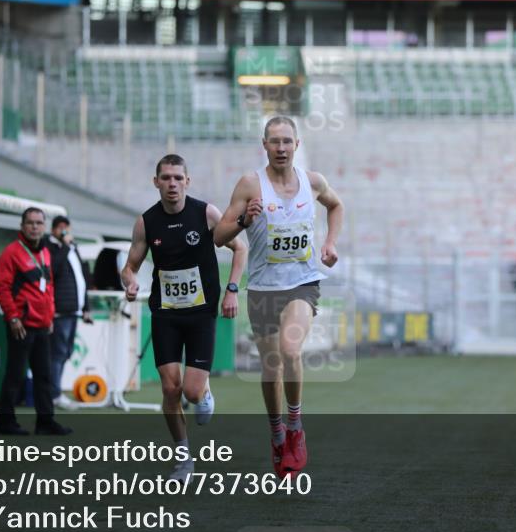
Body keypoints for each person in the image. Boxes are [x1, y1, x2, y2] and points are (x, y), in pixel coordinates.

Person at [214, 116, 343, 478]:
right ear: (265, 145)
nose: (282, 148)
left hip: (302, 282)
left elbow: (336, 206)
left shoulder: (313, 182)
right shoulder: (249, 185)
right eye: (275, 142)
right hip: (263, 288)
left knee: (290, 351)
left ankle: (296, 426)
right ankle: (276, 434)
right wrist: (243, 221)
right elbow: (218, 236)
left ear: (297, 145)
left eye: (287, 141)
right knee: (271, 366)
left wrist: (330, 243)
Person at [122, 154, 247, 481]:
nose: (172, 184)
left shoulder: (205, 213)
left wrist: (231, 290)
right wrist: (130, 280)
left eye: (178, 178)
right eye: (166, 178)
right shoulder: (146, 222)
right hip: (165, 313)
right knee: (170, 387)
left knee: (190, 391)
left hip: (201, 313)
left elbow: (240, 248)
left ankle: (203, 393)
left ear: (187, 181)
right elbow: (130, 265)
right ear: (156, 182)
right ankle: (183, 458)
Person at [0, 207, 72, 436]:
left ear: (44, 227)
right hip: (21, 325)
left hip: (42, 325)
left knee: (44, 376)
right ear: (22, 226)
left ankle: (45, 422)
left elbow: (48, 288)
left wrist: (50, 317)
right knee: (15, 374)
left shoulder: (45, 252)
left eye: (39, 223)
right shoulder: (11, 253)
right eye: (30, 223)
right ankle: (5, 422)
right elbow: (2, 288)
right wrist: (13, 317)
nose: (35, 227)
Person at [45, 215, 94, 408]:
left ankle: (54, 392)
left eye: (66, 227)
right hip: (60, 311)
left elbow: (82, 279)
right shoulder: (50, 248)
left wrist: (86, 308)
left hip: (74, 310)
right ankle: (54, 394)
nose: (64, 231)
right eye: (60, 227)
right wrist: (65, 246)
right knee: (57, 353)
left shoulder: (73, 248)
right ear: (53, 230)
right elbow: (53, 270)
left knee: (66, 352)